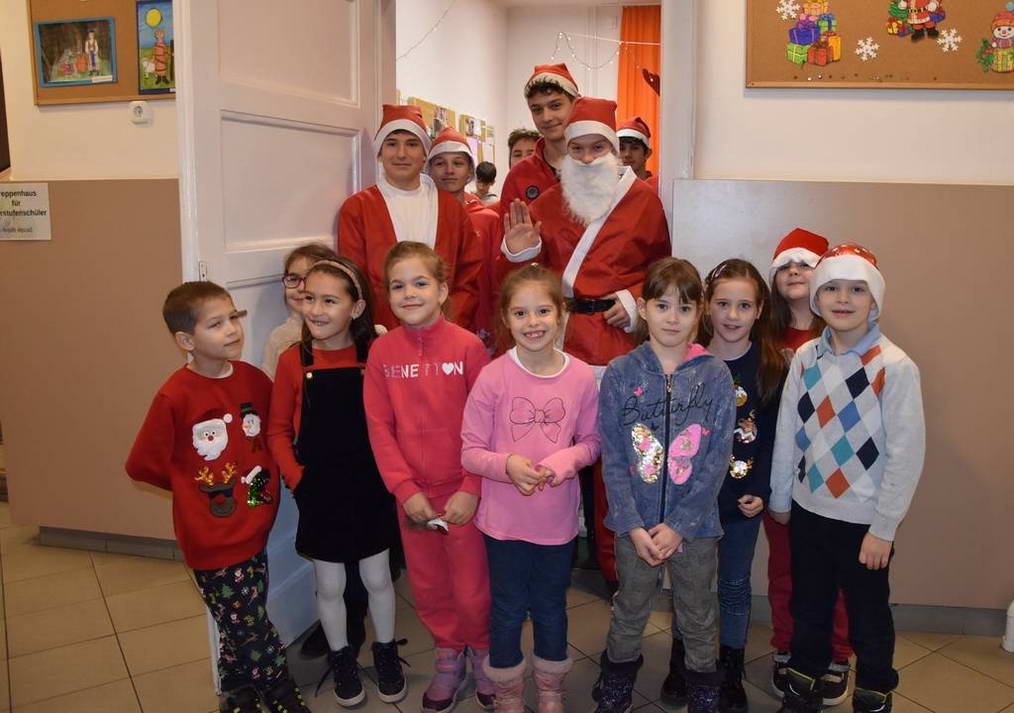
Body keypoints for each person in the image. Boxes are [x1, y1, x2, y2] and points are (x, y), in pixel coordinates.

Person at [500, 96, 671, 589]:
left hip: (619, 346)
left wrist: (636, 299)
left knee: (619, 461)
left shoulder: (644, 201)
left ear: (615, 150)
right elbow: (527, 279)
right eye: (579, 148)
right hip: (563, 345)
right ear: (566, 152)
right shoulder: (548, 203)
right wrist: (519, 251)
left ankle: (619, 571)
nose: (589, 157)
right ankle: (549, 557)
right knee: (555, 453)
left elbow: (663, 269)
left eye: (599, 147)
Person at [125, 282, 310, 713]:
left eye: (233, 318)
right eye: (216, 324)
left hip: (255, 528)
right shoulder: (175, 395)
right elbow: (142, 465)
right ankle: (282, 696)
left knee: (240, 620)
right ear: (186, 340)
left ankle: (238, 691)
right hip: (213, 541)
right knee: (255, 631)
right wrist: (196, 490)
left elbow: (271, 435)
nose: (231, 329)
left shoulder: (252, 380)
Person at [768, 243, 925, 713]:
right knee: (809, 606)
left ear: (874, 300)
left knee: (867, 616)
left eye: (857, 289)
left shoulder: (894, 366)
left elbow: (906, 454)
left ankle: (874, 691)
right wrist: (781, 497)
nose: (843, 298)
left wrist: (885, 528)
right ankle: (803, 682)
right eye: (832, 288)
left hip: (865, 525)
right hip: (808, 512)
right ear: (817, 298)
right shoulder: (805, 358)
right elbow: (788, 431)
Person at [595, 258, 735, 713]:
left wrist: (679, 525)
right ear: (643, 309)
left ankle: (704, 693)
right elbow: (614, 458)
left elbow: (716, 460)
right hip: (634, 526)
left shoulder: (715, 375)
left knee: (698, 614)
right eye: (662, 305)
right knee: (629, 609)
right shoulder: (621, 373)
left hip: (695, 528)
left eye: (685, 307)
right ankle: (616, 687)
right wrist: (632, 525)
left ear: (700, 313)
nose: (673, 318)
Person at [460, 265, 600, 713]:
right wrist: (506, 465)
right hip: (503, 524)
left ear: (561, 315)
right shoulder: (493, 377)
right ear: (506, 318)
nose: (533, 322)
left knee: (551, 606)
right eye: (521, 313)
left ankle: (551, 687)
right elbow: (470, 452)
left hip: (555, 523)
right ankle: (507, 691)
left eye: (543, 310)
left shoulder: (581, 377)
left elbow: (593, 442)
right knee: (506, 608)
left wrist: (566, 460)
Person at [266, 258, 405, 707]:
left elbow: (396, 419)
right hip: (320, 489)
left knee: (378, 577)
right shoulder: (293, 360)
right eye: (309, 298)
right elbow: (276, 430)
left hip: (370, 485)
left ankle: (385, 651)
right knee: (329, 585)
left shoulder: (376, 354)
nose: (316, 310)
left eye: (329, 300)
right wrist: (297, 479)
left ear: (356, 307)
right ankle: (342, 657)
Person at [364, 242, 494, 713]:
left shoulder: (468, 347)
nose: (409, 293)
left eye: (420, 283)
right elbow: (379, 427)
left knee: (473, 586)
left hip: (464, 494)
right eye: (398, 285)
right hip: (414, 500)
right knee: (429, 585)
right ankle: (447, 655)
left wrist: (472, 487)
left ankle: (483, 652)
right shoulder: (382, 352)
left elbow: (487, 424)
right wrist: (403, 489)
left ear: (441, 290)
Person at [688, 259, 787, 713]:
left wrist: (762, 489)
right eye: (723, 303)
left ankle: (731, 668)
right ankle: (686, 661)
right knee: (691, 586)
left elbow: (774, 437)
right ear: (707, 305)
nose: (732, 315)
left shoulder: (770, 366)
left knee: (732, 585)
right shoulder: (688, 360)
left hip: (742, 503)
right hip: (690, 504)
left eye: (744, 305)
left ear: (759, 309)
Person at [766, 229, 854, 706]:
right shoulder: (762, 334)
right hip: (780, 475)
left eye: (804, 264)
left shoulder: (843, 332)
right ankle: (787, 646)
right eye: (785, 265)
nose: (795, 272)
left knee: (836, 572)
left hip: (833, 476)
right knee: (785, 569)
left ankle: (837, 653)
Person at [337, 104, 483, 331]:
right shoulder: (357, 208)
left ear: (425, 153)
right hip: (383, 334)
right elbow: (355, 282)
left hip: (445, 332)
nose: (401, 154)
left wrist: (448, 325)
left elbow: (469, 276)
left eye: (412, 144)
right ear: (380, 152)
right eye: (392, 144)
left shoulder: (450, 209)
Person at [427, 128, 504, 344]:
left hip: (481, 322)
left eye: (458, 163)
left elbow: (496, 279)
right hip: (429, 320)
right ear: (429, 169)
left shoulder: (487, 220)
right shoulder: (420, 216)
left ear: (470, 169)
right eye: (440, 163)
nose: (449, 170)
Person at [498, 64, 580, 210]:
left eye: (555, 106)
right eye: (537, 109)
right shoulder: (518, 176)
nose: (546, 117)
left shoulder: (598, 165)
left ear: (577, 103)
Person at [262, 243, 338, 380]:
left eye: (310, 279)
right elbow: (269, 383)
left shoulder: (343, 331)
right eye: (293, 279)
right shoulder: (279, 338)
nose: (301, 288)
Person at [617, 117, 658, 190]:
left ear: (647, 153)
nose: (627, 154)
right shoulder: (606, 189)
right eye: (621, 149)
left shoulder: (660, 188)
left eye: (634, 148)